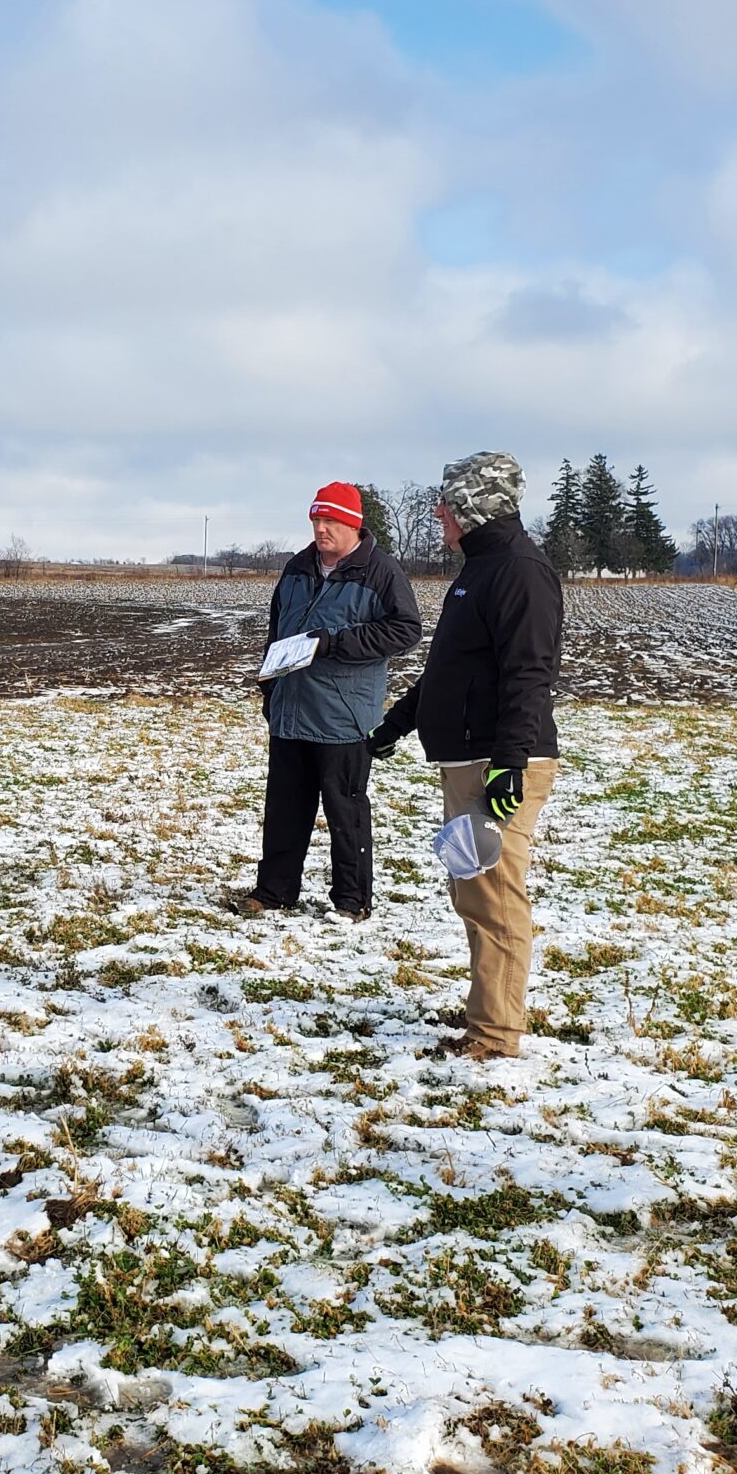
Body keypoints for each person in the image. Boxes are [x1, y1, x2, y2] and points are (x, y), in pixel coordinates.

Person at [368, 453, 561, 1057]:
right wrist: (392, 728)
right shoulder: (479, 568)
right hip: (469, 761)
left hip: (497, 764)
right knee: (473, 890)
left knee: (494, 893)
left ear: (476, 507)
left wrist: (510, 760)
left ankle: (497, 1036)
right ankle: (489, 1017)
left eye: (447, 505)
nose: (438, 514)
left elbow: (530, 673)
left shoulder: (519, 572)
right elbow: (445, 673)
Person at [241, 483, 422, 920]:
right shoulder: (296, 569)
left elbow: (405, 630)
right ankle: (274, 891)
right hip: (290, 710)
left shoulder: (380, 571)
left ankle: (351, 901)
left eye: (331, 522)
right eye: (316, 521)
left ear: (353, 525)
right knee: (284, 808)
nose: (321, 530)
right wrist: (270, 688)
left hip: (343, 715)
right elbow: (276, 631)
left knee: (346, 812)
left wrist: (335, 643)